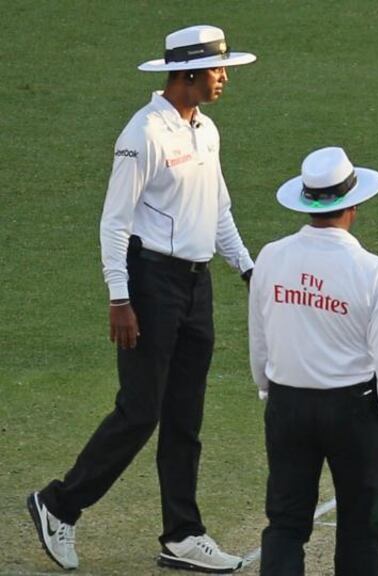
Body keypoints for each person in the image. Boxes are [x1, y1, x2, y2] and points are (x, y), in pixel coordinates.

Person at [27, 25, 256, 573]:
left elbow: (218, 210)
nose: (224, 78)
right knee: (139, 412)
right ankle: (58, 504)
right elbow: (115, 220)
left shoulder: (207, 130)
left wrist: (248, 268)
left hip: (196, 286)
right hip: (149, 285)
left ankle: (183, 533)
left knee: (185, 415)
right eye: (218, 69)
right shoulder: (143, 133)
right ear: (189, 72)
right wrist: (119, 297)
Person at [248, 146, 378, 576]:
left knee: (285, 522)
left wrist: (269, 390)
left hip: (286, 404)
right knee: (362, 527)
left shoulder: (270, 256)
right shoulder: (375, 271)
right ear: (353, 205)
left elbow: (259, 335)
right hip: (353, 413)